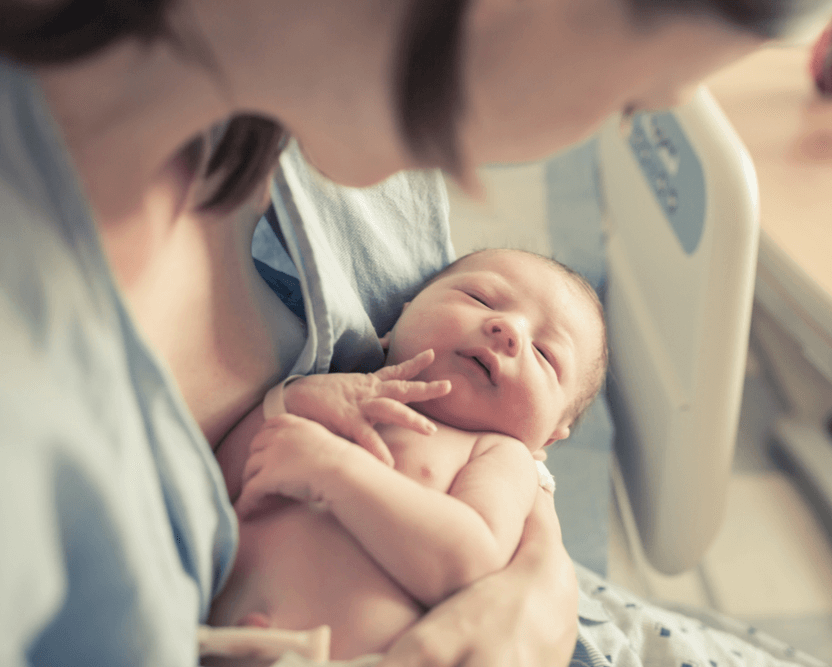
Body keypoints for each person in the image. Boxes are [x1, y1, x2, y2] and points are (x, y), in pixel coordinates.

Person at [2, 1, 831, 666]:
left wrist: (538, 587)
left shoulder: (333, 117)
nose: (503, 327)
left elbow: (503, 481)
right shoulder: (34, 413)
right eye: (629, 103)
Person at [206, 248, 607, 662]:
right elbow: (220, 478)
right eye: (480, 298)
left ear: (550, 438)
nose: (509, 330)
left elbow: (467, 563)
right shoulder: (335, 387)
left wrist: (334, 469)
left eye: (545, 354)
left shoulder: (500, 455)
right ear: (401, 315)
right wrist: (291, 402)